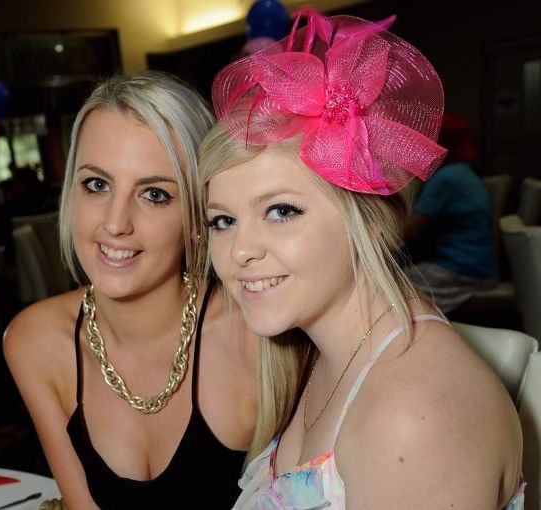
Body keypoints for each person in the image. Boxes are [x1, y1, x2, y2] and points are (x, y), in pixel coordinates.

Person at [199, 9, 524, 509]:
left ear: (370, 221)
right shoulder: (318, 350)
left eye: (281, 211)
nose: (240, 250)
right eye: (222, 220)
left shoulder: (411, 414)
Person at [3, 71, 258, 510]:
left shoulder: (254, 332)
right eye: (97, 185)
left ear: (199, 214)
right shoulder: (36, 341)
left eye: (155, 194)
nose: (116, 223)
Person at [404, 112, 496, 313]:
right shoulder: (462, 171)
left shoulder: (447, 178)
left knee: (395, 286)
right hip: (479, 266)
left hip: (461, 269)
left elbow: (412, 229)